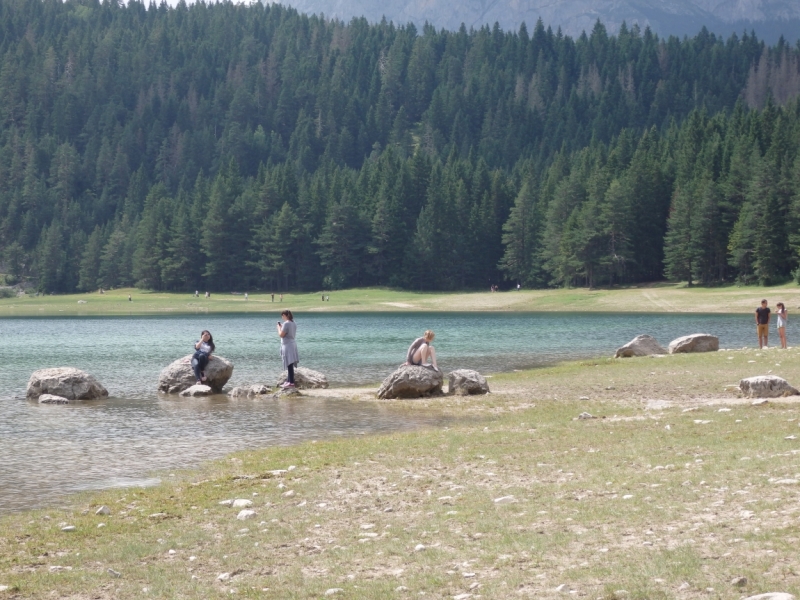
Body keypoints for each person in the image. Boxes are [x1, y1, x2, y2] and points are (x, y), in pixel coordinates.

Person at [277, 309, 299, 388]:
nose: (282, 317)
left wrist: (279, 328)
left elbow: (281, 335)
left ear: (285, 315)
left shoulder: (286, 324)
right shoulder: (293, 323)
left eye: (282, 316)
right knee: (290, 364)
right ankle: (288, 381)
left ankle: (291, 382)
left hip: (287, 345)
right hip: (292, 344)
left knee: (289, 364)